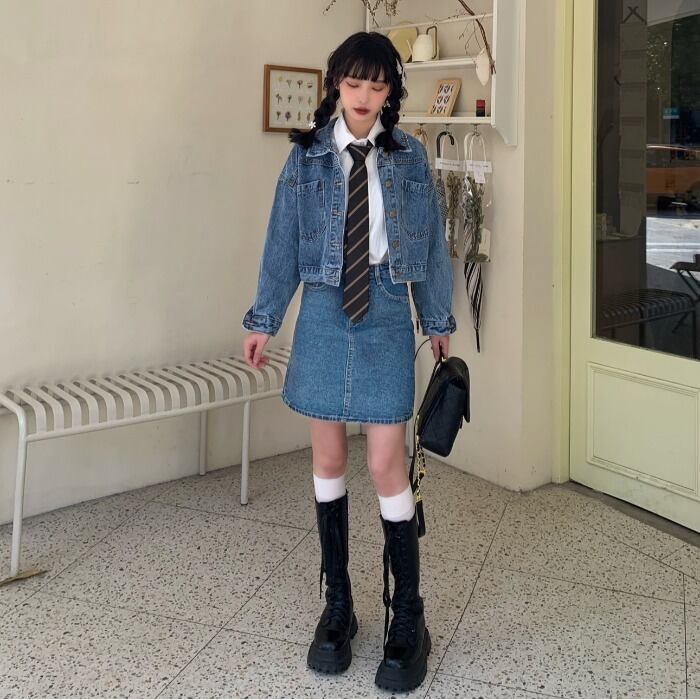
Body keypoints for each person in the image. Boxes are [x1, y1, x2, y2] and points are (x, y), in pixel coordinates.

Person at [242, 31, 456, 693]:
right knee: (329, 457)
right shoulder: (306, 155)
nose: (364, 96)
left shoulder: (410, 157)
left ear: (391, 91)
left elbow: (432, 242)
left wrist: (438, 319)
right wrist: (263, 318)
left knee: (386, 462)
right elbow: (282, 238)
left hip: (387, 307)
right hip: (324, 309)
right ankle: (338, 606)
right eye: (354, 83)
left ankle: (408, 615)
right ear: (336, 83)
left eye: (377, 84)